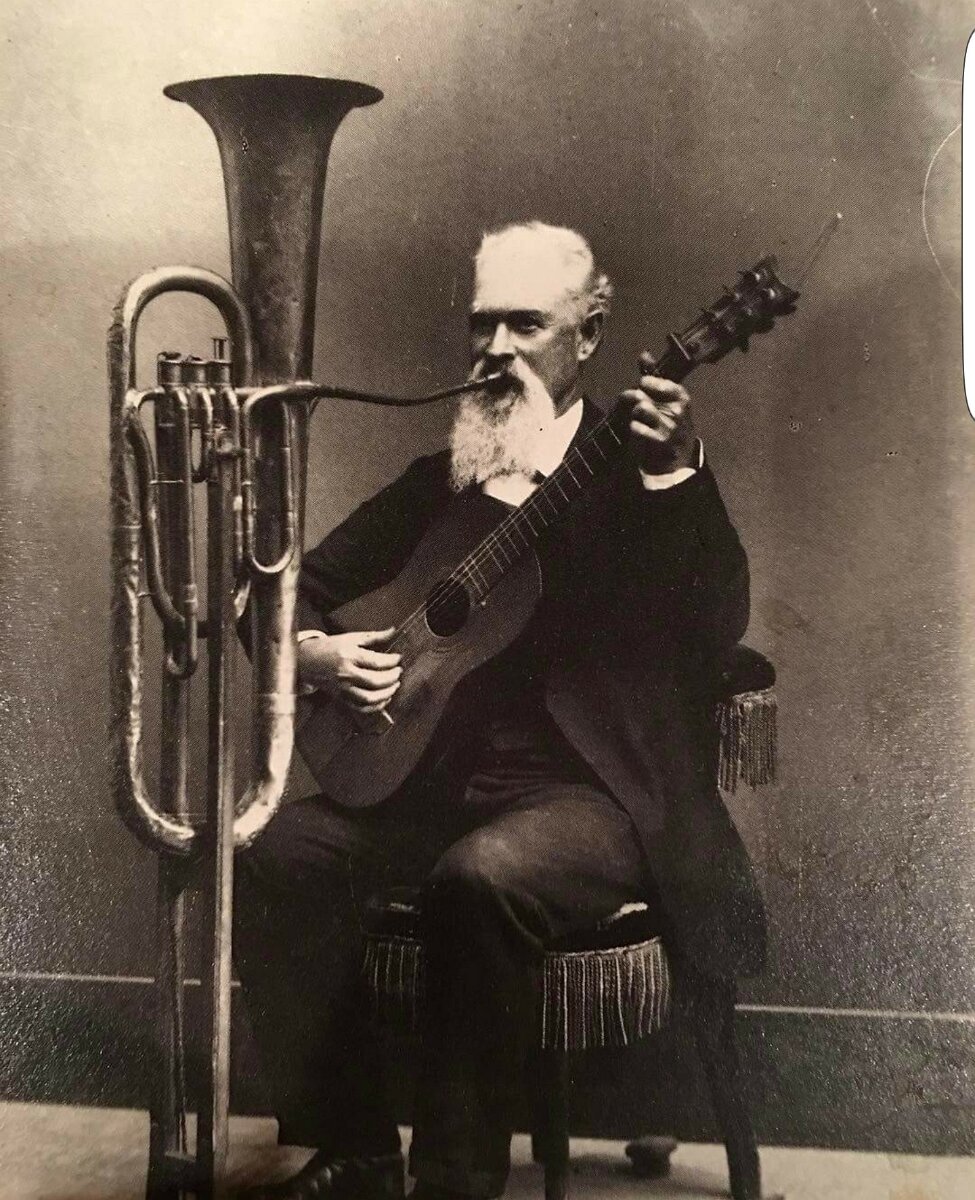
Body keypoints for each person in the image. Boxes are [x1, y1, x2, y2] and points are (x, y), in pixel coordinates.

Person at [234, 221, 766, 1200]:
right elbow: (282, 591)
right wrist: (311, 653)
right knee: (269, 851)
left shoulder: (639, 475)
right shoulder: (444, 477)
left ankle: (454, 1185)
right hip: (421, 784)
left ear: (589, 333)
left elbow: (716, 622)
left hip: (588, 798)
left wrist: (677, 472)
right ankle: (358, 1148)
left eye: (527, 324)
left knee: (478, 878)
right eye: (483, 325)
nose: (495, 349)